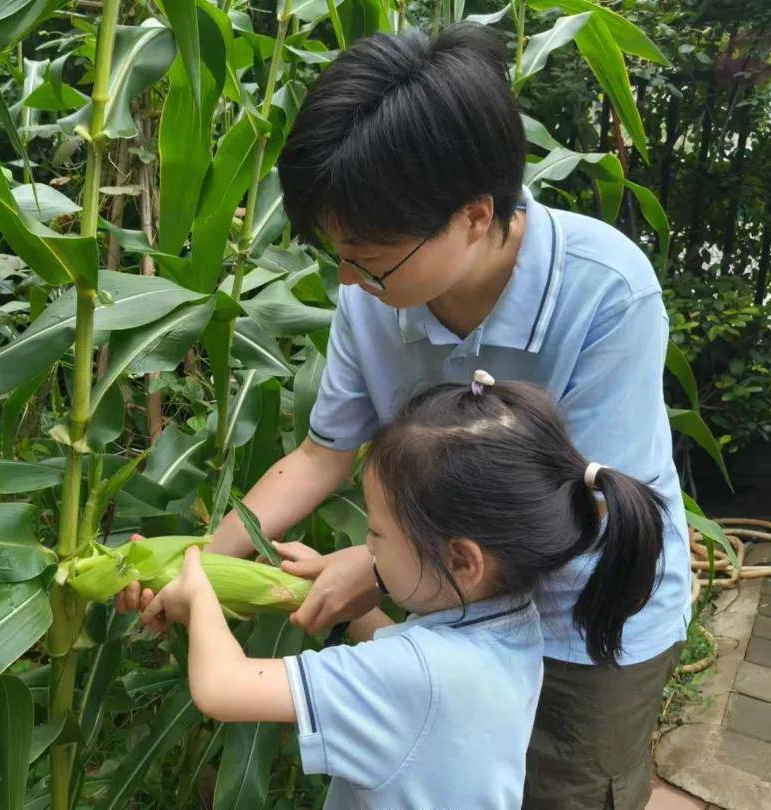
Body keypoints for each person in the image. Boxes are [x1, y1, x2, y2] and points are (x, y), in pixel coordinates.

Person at [122, 23, 690, 808]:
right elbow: (323, 456)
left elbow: (583, 507)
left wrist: (378, 566)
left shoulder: (606, 293)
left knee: (564, 790)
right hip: (452, 603)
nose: (348, 281)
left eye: (370, 255)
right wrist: (194, 565)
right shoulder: (371, 295)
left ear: (474, 215)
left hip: (587, 618)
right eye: (336, 253)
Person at [138, 376, 667, 809]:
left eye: (376, 533)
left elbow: (223, 688)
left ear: (462, 561)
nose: (364, 547)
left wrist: (199, 589)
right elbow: (416, 663)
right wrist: (323, 596)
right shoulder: (510, 620)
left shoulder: (412, 677)